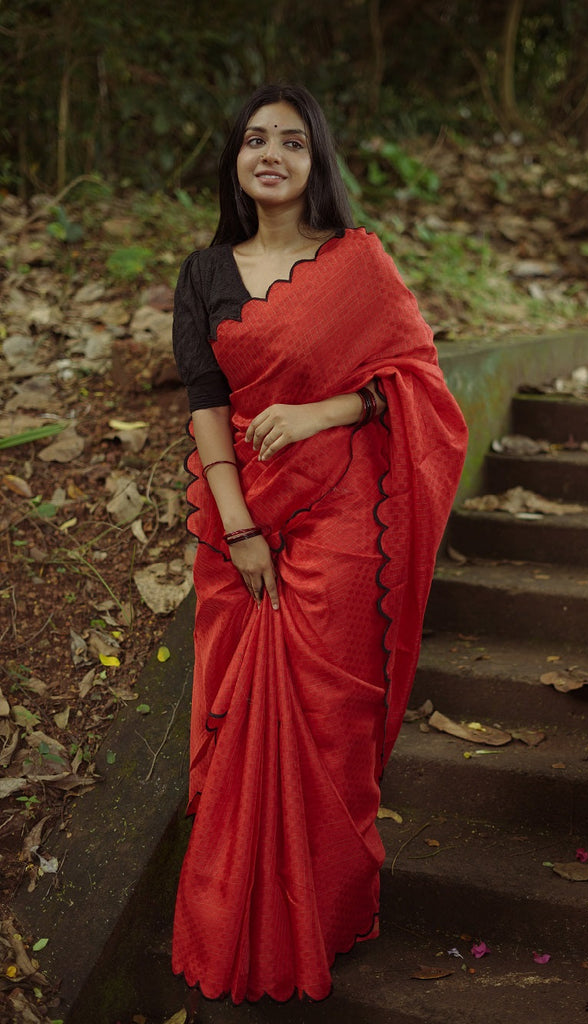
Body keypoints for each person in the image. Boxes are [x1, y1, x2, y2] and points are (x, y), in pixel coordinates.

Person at [171, 82, 467, 1006]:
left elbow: (416, 383)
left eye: (291, 143)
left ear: (316, 162)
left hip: (344, 515)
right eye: (254, 140)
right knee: (244, 720)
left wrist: (314, 413)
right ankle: (245, 922)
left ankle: (324, 915)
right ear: (235, 160)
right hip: (246, 518)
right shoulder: (205, 273)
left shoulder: (357, 264)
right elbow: (205, 407)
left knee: (328, 720)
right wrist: (240, 527)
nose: (271, 155)